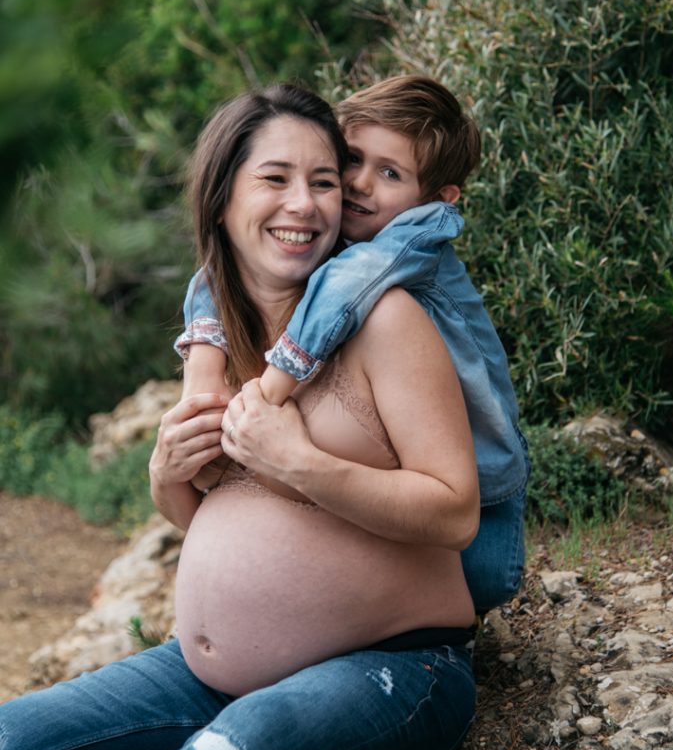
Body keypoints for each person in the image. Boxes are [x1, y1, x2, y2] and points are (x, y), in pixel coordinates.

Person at [0, 84, 480, 750]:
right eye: (276, 178)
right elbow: (224, 521)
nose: (306, 202)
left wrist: (300, 459)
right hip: (204, 677)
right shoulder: (218, 333)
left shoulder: (385, 319)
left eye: (325, 181)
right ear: (222, 196)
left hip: (394, 671)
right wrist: (167, 476)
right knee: (13, 740)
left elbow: (455, 510)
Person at [177, 75, 529, 614]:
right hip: (408, 486)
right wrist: (204, 367)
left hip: (486, 497)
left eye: (390, 173)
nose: (360, 184)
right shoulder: (348, 230)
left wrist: (271, 390)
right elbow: (219, 269)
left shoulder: (413, 237)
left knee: (464, 588)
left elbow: (344, 287)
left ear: (437, 197)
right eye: (353, 160)